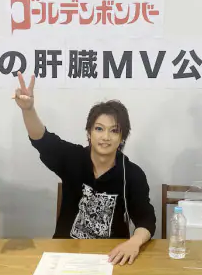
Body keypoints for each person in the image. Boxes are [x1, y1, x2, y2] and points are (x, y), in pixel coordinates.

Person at [13, 72, 156, 265]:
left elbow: (146, 219)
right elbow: (42, 140)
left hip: (111, 257)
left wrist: (134, 242)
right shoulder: (73, 158)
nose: (105, 137)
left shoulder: (132, 174)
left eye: (114, 131)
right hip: (66, 254)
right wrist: (28, 109)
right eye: (99, 128)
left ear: (122, 138)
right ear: (89, 132)